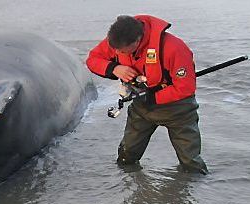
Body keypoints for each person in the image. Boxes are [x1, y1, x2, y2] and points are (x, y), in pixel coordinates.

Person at [86, 15, 208, 174]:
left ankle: (193, 193)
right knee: (126, 157)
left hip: (178, 110)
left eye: (121, 51)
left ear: (137, 41)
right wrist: (115, 68)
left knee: (192, 165)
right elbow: (93, 59)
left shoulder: (174, 48)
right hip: (141, 108)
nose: (115, 52)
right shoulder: (117, 40)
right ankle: (126, 185)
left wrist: (152, 97)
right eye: (114, 49)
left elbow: (185, 88)